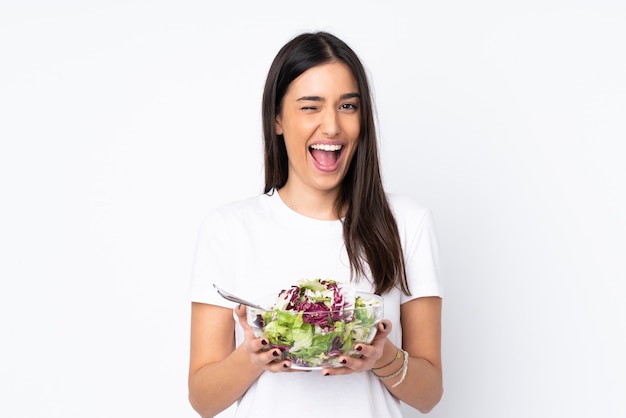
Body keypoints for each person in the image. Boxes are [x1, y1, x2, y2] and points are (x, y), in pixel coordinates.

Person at [188, 31, 443, 418]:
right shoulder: (228, 228)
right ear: (277, 118)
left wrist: (380, 355)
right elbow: (202, 400)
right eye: (311, 107)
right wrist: (253, 357)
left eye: (347, 106)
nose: (331, 127)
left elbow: (429, 395)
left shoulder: (407, 223)